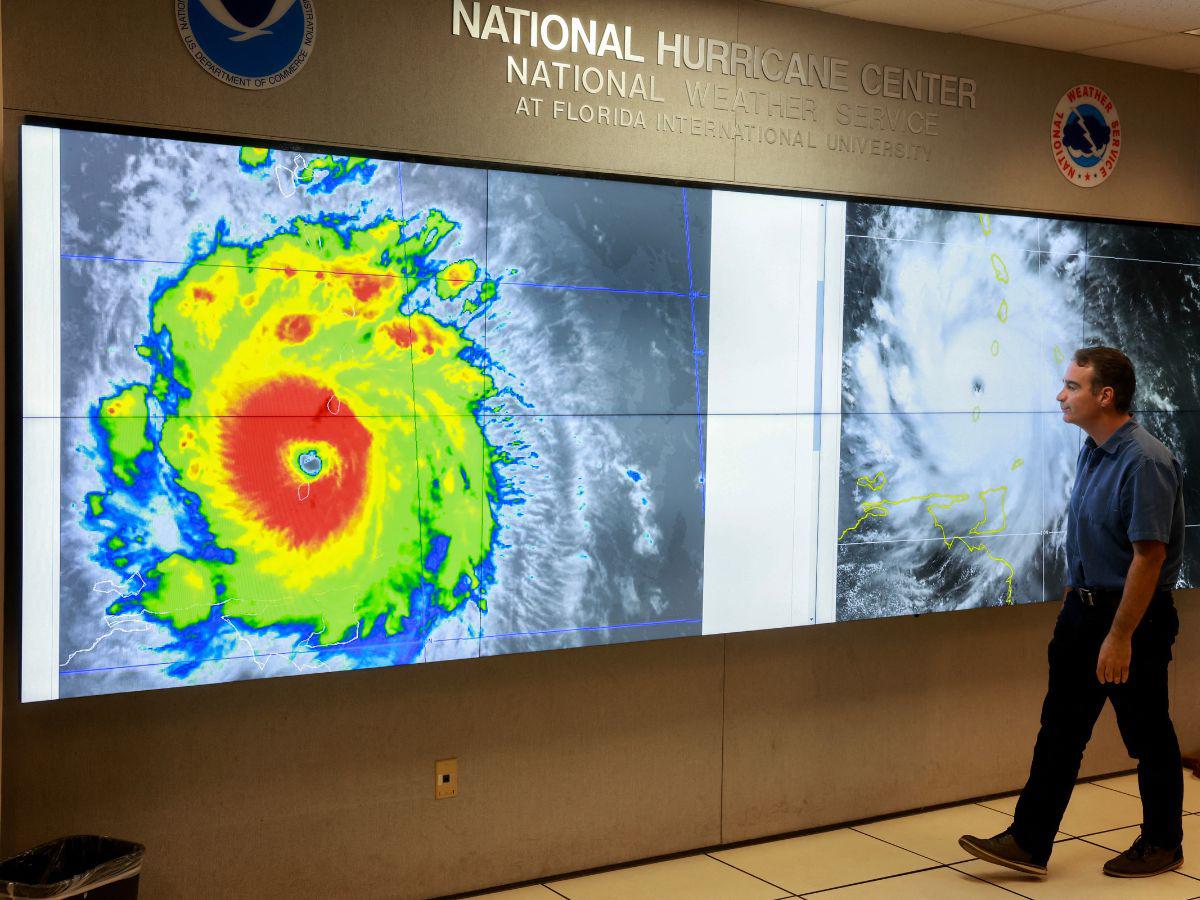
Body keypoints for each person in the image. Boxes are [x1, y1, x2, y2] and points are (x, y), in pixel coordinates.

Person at [959, 346, 1186, 879]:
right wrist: (1072, 599)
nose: (1061, 395)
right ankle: (1029, 841)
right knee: (1059, 731)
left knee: (1148, 735)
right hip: (1084, 614)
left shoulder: (1145, 461)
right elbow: (1089, 535)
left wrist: (1120, 635)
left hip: (1132, 620)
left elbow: (1148, 557)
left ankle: (1163, 842)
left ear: (1105, 396)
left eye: (1072, 386)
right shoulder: (1093, 448)